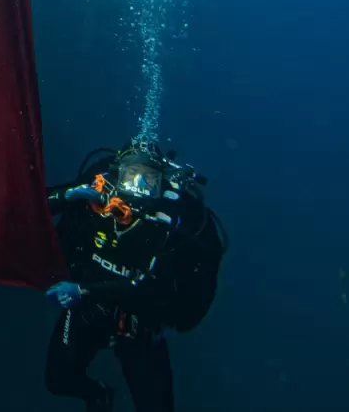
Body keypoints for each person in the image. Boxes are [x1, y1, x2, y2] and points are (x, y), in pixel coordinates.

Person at [43, 141, 228, 411]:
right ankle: (98, 395)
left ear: (161, 184)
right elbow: (35, 208)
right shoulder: (95, 200)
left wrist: (82, 290)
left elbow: (153, 287)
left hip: (139, 325)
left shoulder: (167, 224)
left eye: (148, 180)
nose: (137, 187)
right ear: (117, 174)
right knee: (58, 380)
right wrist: (69, 196)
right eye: (131, 177)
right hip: (89, 311)